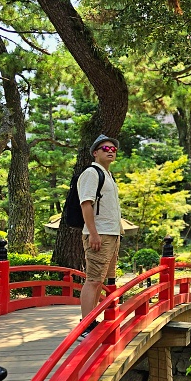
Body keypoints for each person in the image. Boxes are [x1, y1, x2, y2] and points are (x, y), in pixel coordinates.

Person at [78, 134, 122, 340]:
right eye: (105, 148)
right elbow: (86, 204)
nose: (111, 150)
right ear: (95, 152)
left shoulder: (108, 175)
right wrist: (93, 233)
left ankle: (91, 320)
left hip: (111, 234)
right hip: (99, 234)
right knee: (94, 280)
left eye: (113, 148)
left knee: (101, 280)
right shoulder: (91, 173)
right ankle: (85, 325)